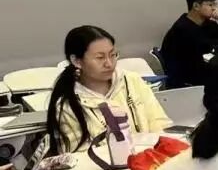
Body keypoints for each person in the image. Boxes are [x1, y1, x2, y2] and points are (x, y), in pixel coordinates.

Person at [46, 26, 172, 154]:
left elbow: (160, 124)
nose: (109, 63)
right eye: (100, 58)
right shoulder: (68, 105)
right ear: (77, 61)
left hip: (151, 159)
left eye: (113, 55)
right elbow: (78, 156)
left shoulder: (131, 80)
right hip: (103, 166)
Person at [160, 0, 218, 88]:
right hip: (187, 82)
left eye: (214, 4)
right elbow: (195, 64)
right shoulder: (182, 30)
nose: (214, 8)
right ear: (196, 6)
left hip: (199, 72)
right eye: (210, 5)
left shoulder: (204, 23)